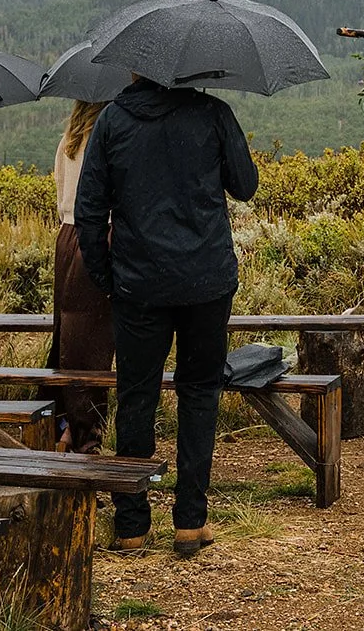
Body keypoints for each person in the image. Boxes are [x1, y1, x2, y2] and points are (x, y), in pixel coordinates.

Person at [76, 76, 258, 556]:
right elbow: (246, 185)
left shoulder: (113, 120)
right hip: (206, 281)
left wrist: (106, 276)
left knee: (136, 398)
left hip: (138, 285)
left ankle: (132, 526)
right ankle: (190, 522)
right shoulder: (214, 113)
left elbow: (89, 210)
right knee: (200, 393)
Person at [47, 100, 113, 453]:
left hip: (67, 237)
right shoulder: (105, 138)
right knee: (93, 343)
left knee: (69, 337)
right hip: (98, 236)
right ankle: (85, 436)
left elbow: (61, 193)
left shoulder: (68, 142)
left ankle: (65, 424)